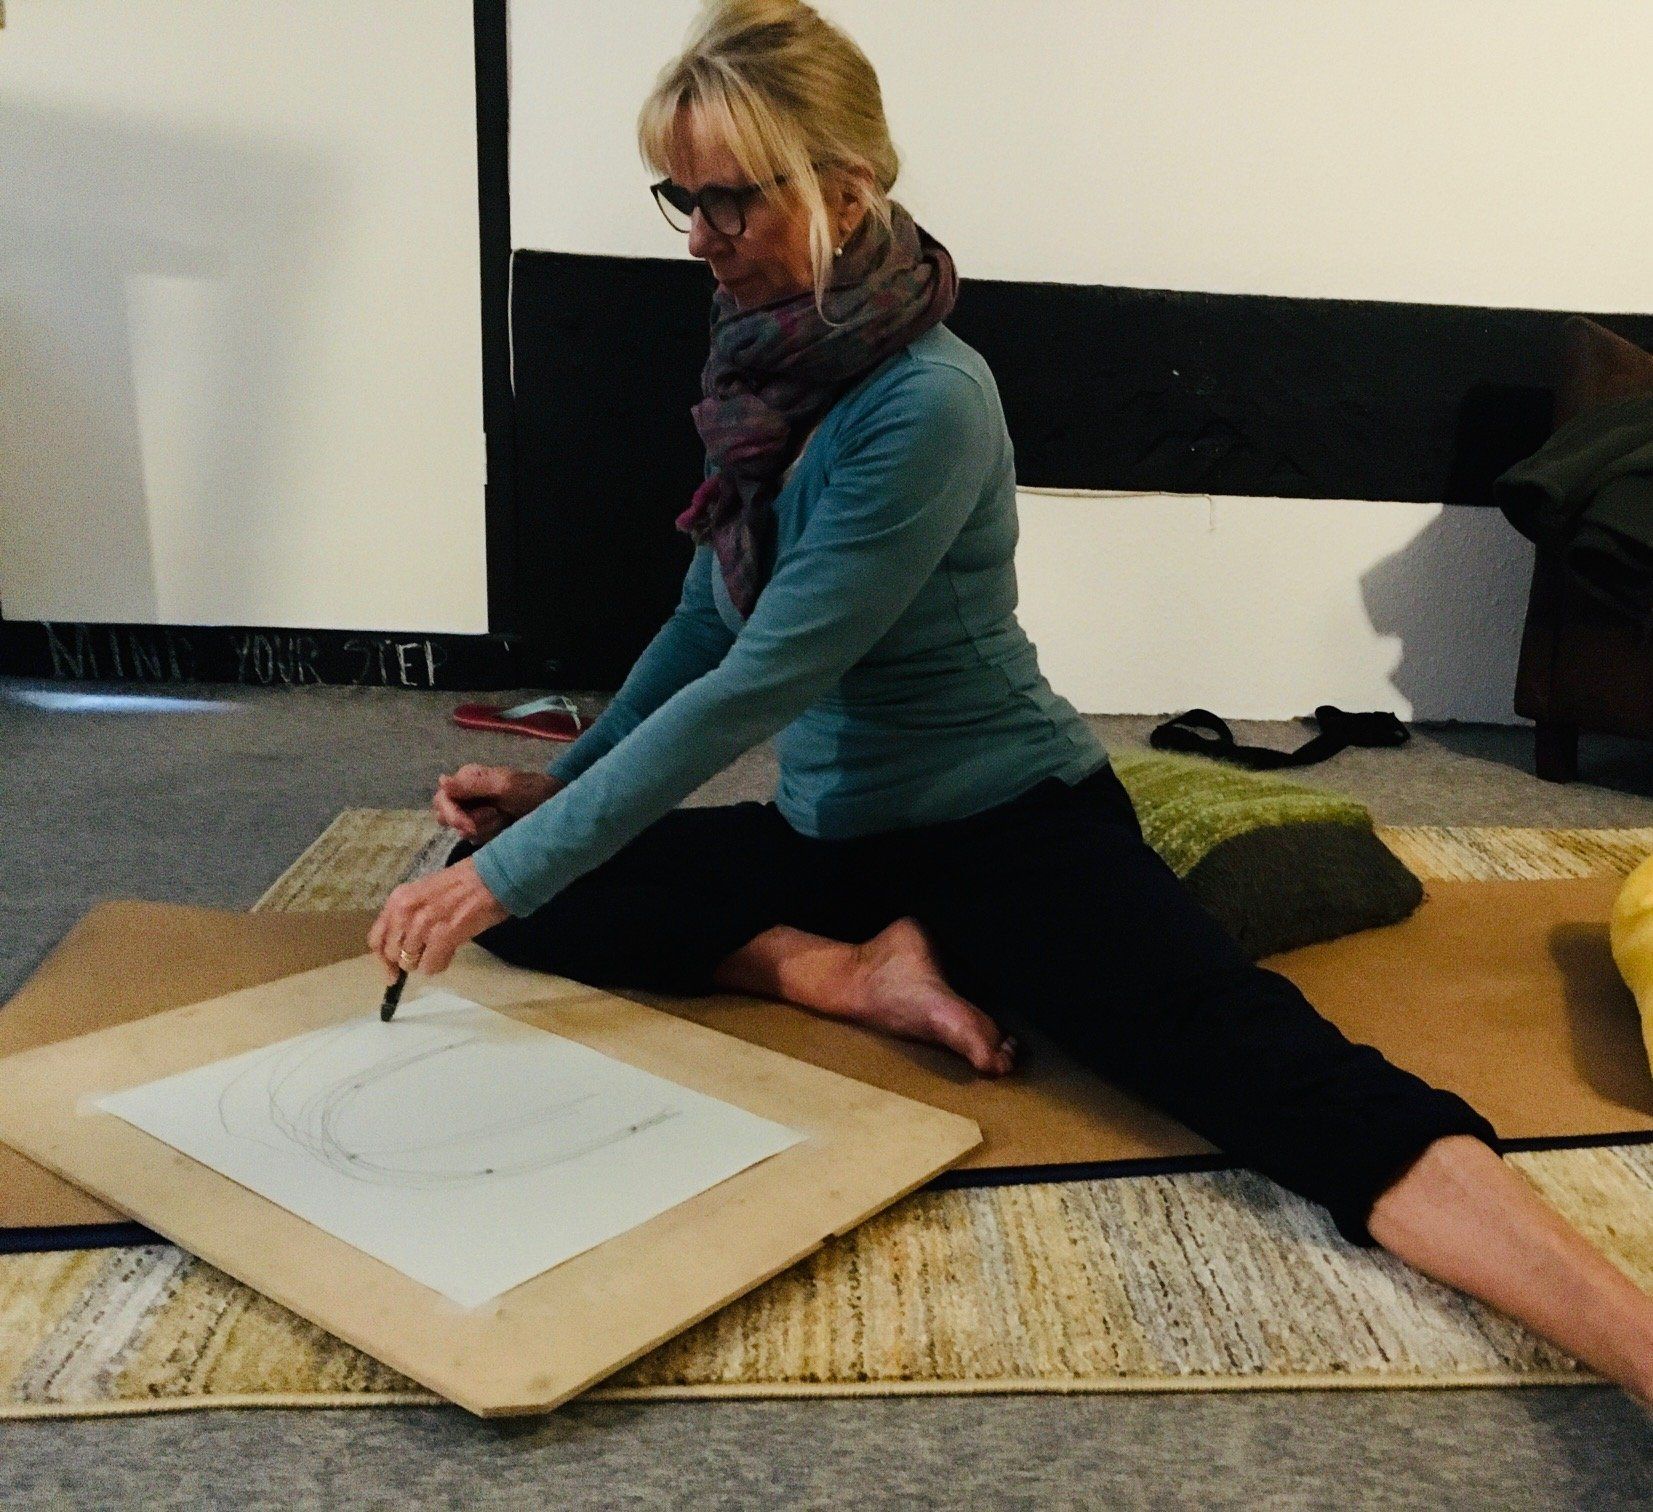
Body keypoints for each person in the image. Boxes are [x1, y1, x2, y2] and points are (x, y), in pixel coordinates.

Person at [369, 0, 1653, 1403]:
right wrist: (555, 801)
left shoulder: (927, 402)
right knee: (516, 881)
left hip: (1006, 826)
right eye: (683, 196)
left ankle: (1635, 1343)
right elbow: (700, 619)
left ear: (844, 192)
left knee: (1268, 1074)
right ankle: (849, 970)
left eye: (730, 201)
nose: (699, 237)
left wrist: (518, 865)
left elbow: (761, 677)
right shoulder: (762, 357)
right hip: (834, 833)